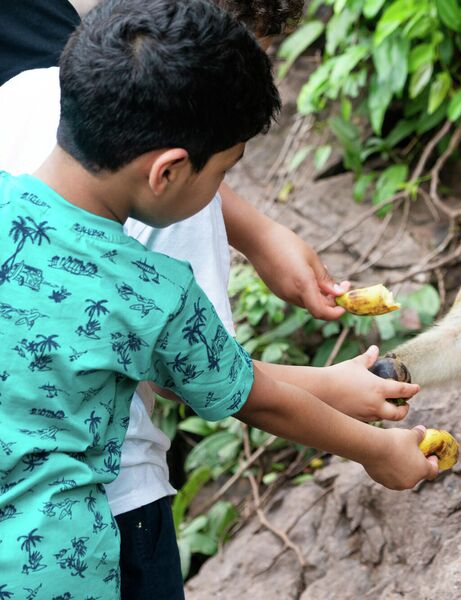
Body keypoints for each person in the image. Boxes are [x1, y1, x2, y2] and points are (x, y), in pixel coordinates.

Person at [0, 1, 438, 597]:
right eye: (224, 173)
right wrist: (377, 450)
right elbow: (254, 398)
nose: (219, 193)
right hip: (54, 567)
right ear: (169, 172)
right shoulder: (151, 290)